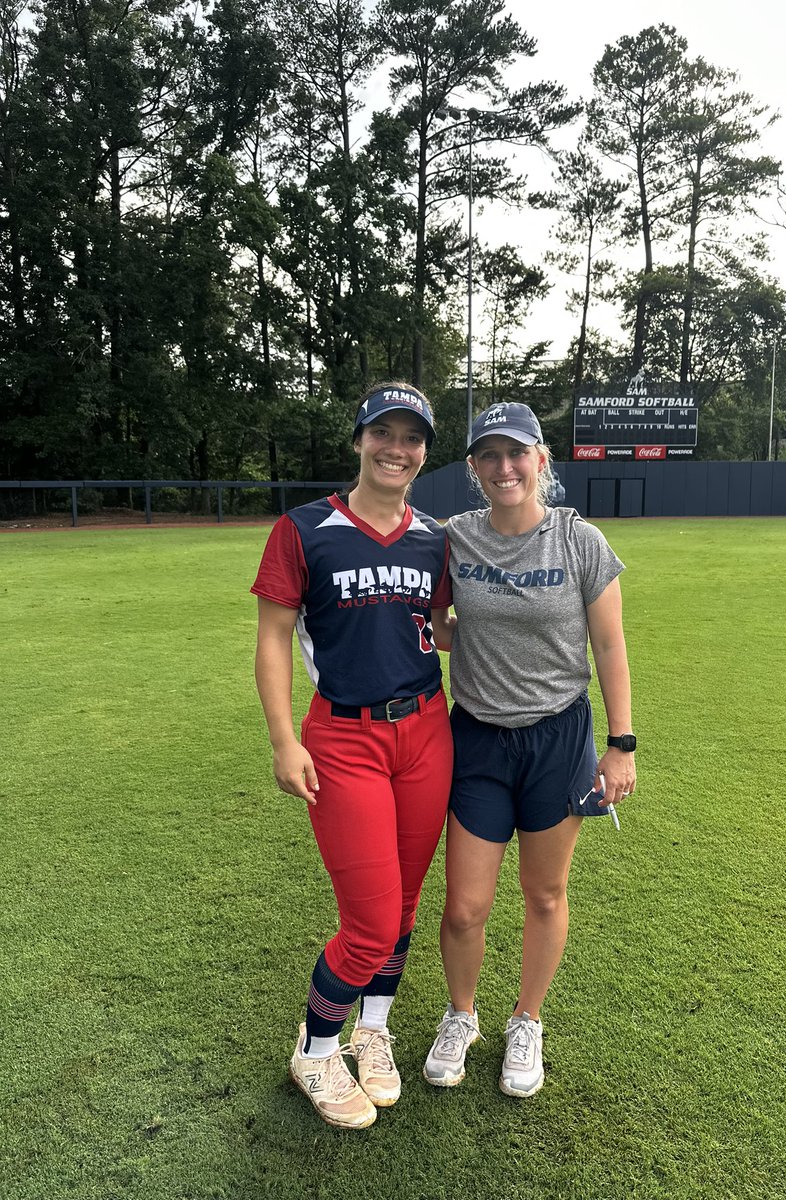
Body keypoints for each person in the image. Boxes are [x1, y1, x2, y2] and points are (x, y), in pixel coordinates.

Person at [252, 382, 454, 1130]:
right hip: (344, 737)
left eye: (412, 438)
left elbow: (440, 627)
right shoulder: (304, 529)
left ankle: (373, 1028)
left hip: (427, 731)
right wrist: (284, 740)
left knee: (403, 905)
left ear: (424, 451)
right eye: (383, 433)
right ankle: (315, 1048)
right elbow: (273, 638)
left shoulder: (435, 538)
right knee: (368, 922)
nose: (397, 449)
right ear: (360, 439)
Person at [424, 401, 636, 1098]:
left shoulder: (580, 541)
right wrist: (466, 642)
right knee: (465, 906)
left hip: (557, 738)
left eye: (517, 453)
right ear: (474, 467)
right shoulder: (454, 539)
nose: (504, 467)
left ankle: (527, 1020)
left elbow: (609, 645)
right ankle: (461, 1015)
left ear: (541, 460)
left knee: (544, 894)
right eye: (489, 455)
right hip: (478, 740)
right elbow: (437, 625)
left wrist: (621, 745)